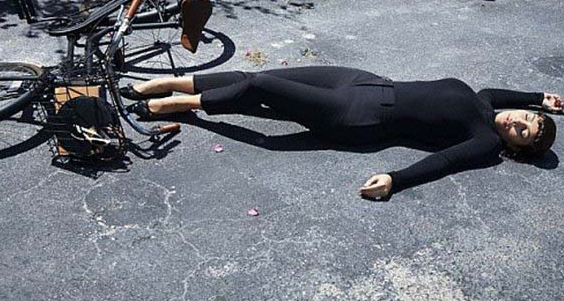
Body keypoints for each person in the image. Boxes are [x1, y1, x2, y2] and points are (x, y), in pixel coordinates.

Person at [121, 66, 561, 199]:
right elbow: (499, 93)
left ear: (514, 148)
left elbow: (444, 163)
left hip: (355, 118)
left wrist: (395, 179)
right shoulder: (485, 101)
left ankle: (178, 104)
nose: (516, 123)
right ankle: (170, 82)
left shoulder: (484, 142)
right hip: (362, 83)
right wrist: (540, 97)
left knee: (263, 88)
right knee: (257, 77)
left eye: (522, 134)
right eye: (525, 119)